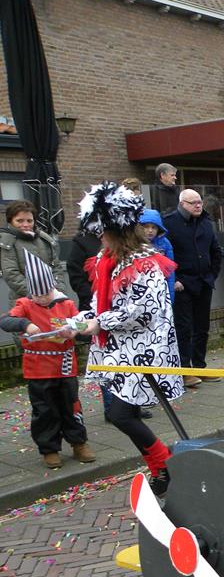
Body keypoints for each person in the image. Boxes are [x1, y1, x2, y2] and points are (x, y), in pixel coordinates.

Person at [72, 182, 183, 496]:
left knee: (120, 415)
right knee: (126, 415)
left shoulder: (145, 262)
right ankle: (161, 469)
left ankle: (165, 463)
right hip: (119, 349)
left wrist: (100, 322)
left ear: (117, 232)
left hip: (145, 348)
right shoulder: (106, 260)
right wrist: (78, 321)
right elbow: (100, 302)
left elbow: (144, 309)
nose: (99, 237)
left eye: (103, 232)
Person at [0, 252, 95, 469]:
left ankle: (79, 442)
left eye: (46, 294)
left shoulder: (66, 304)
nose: (42, 299)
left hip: (65, 366)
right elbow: (6, 321)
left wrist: (74, 332)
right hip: (38, 369)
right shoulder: (24, 304)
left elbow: (82, 326)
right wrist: (25, 324)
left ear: (53, 288)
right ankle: (49, 449)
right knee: (44, 410)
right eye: (37, 295)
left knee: (71, 406)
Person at [162, 189, 222, 387]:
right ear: (182, 204)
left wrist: (212, 275)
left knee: (202, 328)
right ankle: (184, 370)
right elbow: (163, 254)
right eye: (193, 202)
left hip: (203, 282)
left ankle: (200, 366)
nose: (198, 205)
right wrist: (174, 279)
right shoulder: (170, 223)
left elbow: (215, 251)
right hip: (182, 285)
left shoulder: (205, 222)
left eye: (199, 202)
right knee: (184, 328)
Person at [1, 200, 71, 301]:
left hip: (52, 298)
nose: (25, 225)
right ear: (10, 221)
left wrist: (58, 292)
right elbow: (11, 274)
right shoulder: (7, 241)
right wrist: (38, 295)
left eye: (29, 221)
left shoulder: (44, 239)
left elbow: (56, 267)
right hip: (25, 301)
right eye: (20, 221)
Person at [139, 209, 178, 303]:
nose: (150, 230)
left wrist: (170, 297)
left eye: (154, 227)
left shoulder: (165, 243)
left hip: (160, 287)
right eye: (146, 227)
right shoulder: (134, 244)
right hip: (141, 287)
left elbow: (170, 271)